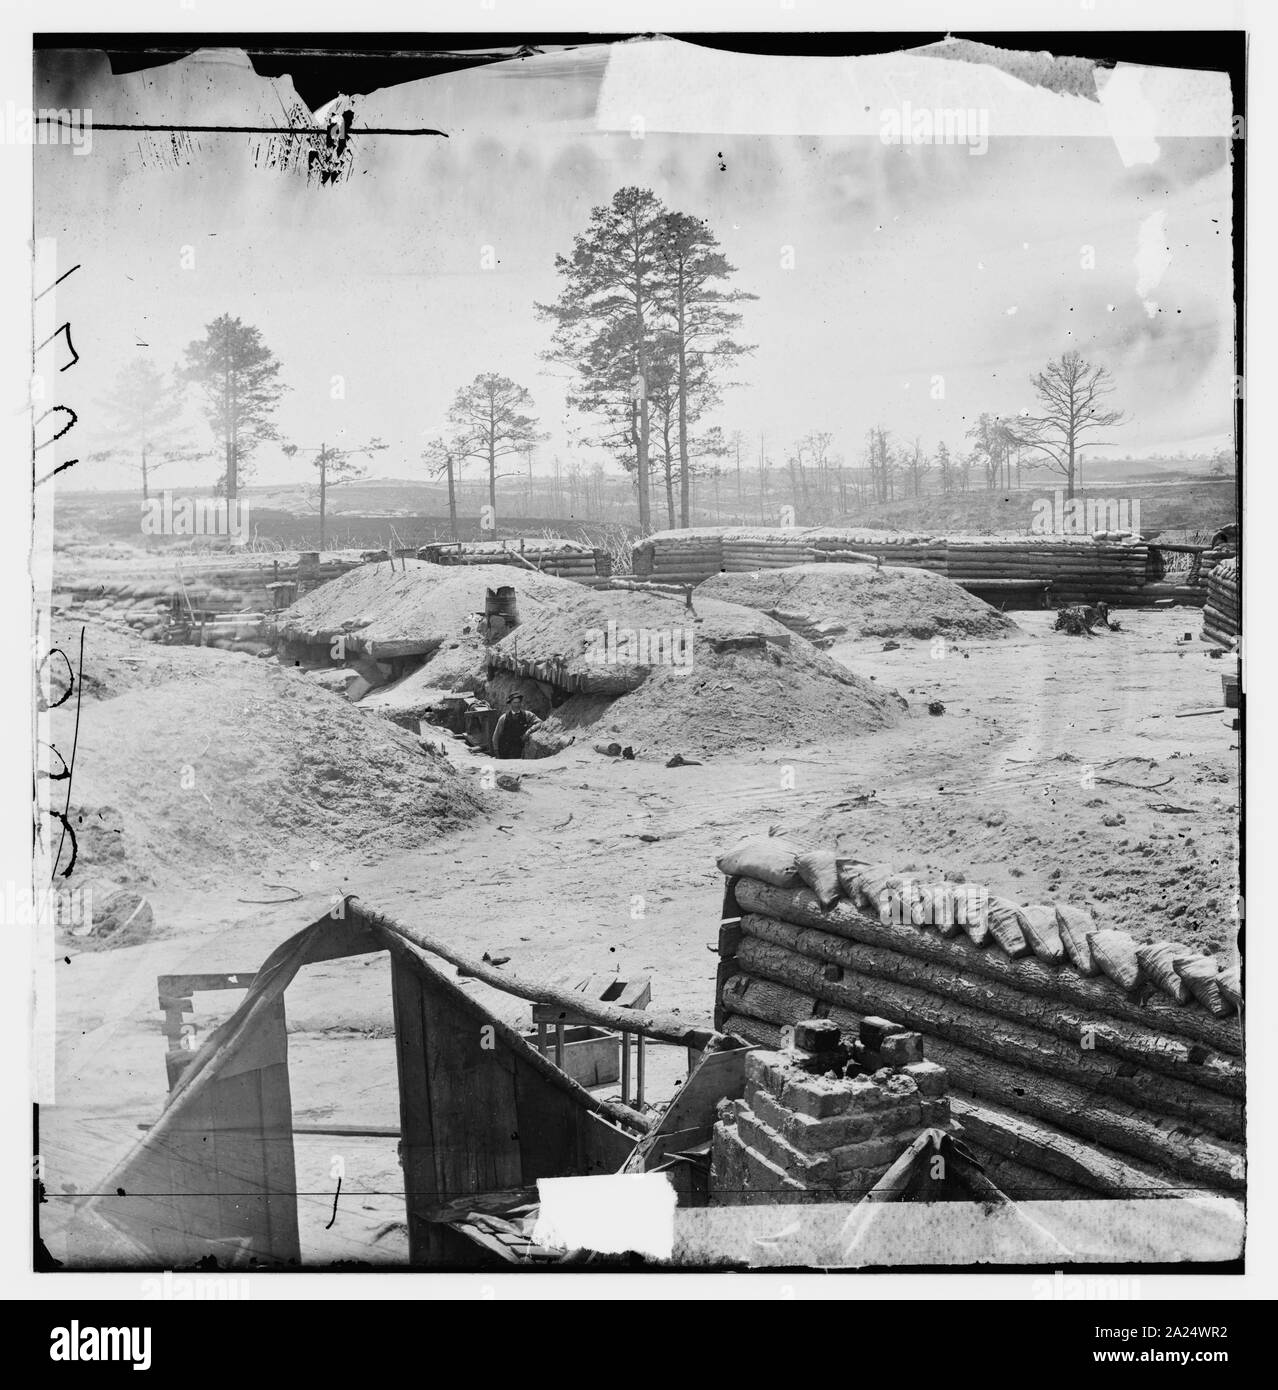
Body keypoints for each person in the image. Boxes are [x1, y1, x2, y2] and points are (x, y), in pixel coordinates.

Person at [491, 693, 542, 760]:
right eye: (515, 703)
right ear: (510, 704)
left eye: (518, 702)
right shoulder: (503, 718)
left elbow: (540, 722)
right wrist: (497, 753)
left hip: (520, 750)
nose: (517, 705)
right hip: (506, 752)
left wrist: (529, 731)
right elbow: (495, 737)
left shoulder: (527, 715)